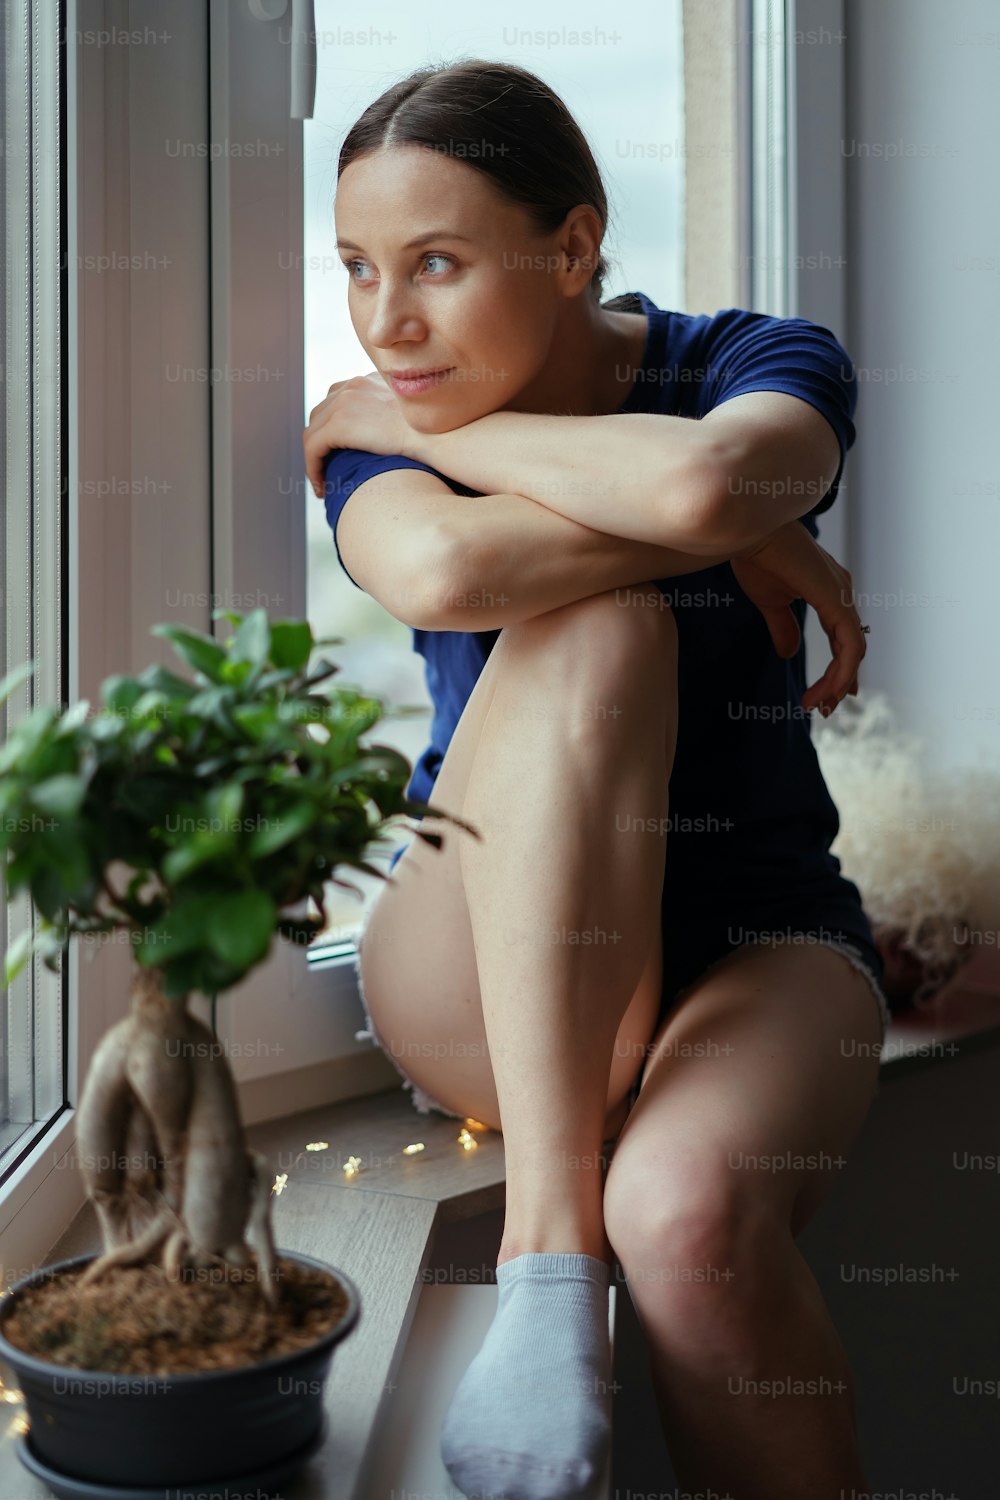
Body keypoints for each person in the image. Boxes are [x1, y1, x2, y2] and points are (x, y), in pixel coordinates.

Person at [303, 58, 888, 1500]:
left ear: (572, 247)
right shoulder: (379, 440)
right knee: (595, 625)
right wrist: (726, 523)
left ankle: (601, 1252)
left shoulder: (753, 357)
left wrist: (418, 430)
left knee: (690, 1220)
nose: (388, 327)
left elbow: (697, 485)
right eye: (359, 269)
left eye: (435, 263)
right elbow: (447, 569)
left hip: (754, 944)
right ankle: (546, 1266)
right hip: (483, 960)